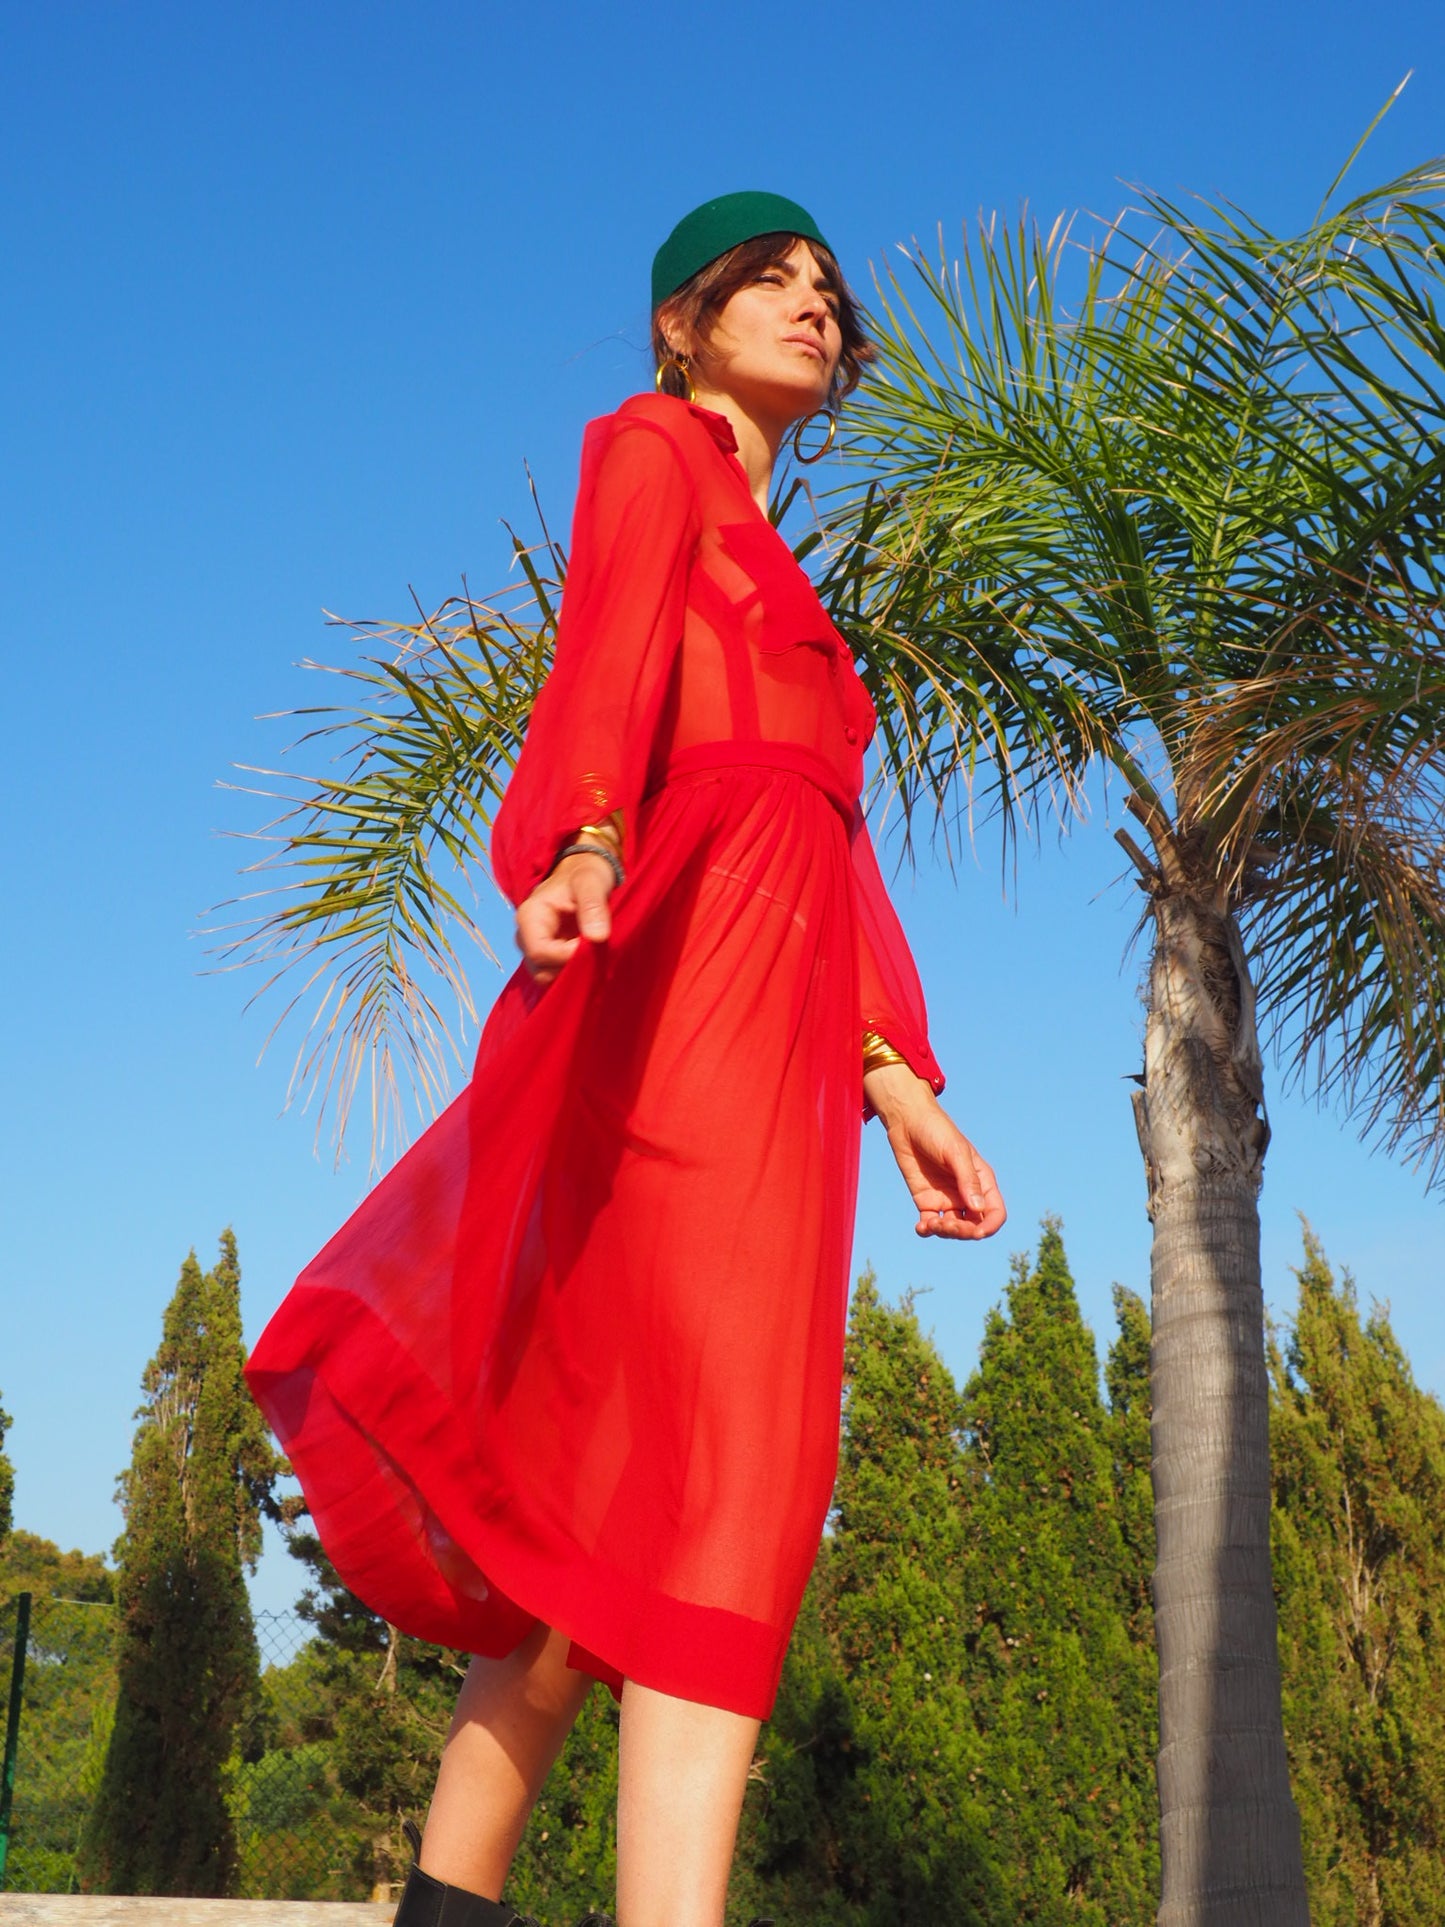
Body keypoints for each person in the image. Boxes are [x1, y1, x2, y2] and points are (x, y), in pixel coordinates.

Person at [246, 190, 1007, 1927]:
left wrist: (896, 1078)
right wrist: (576, 842)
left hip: (782, 1070)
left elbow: (835, 846)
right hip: (672, 1032)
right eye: (771, 281)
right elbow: (599, 664)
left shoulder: (795, 595)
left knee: (642, 1528)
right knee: (715, 1490)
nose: (816, 305)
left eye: (830, 289)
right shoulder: (653, 450)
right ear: (682, 321)